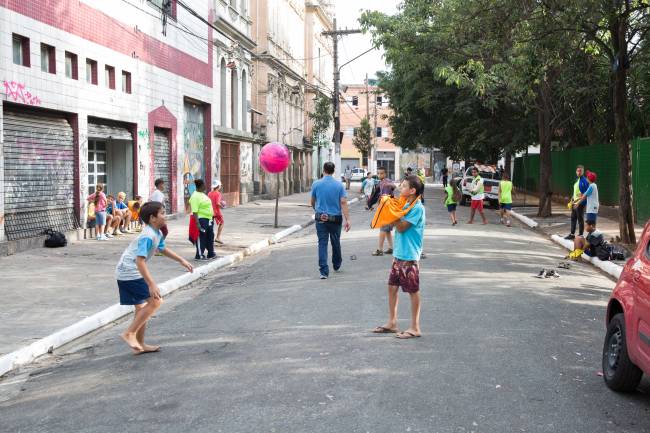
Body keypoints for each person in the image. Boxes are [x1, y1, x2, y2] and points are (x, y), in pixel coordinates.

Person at [115, 201, 193, 354]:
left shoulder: (156, 233)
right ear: (152, 218)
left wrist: (182, 260)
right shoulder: (147, 236)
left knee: (142, 309)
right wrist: (151, 284)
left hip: (128, 271)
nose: (165, 216)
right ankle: (129, 333)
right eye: (162, 213)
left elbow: (162, 248)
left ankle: (140, 345)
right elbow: (140, 260)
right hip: (129, 272)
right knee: (156, 301)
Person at [372, 175, 425, 339]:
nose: (400, 188)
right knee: (392, 287)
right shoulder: (405, 204)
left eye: (403, 186)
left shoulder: (417, 208)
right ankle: (392, 322)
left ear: (412, 190)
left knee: (412, 290)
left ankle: (415, 327)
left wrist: (390, 212)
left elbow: (401, 227)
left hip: (409, 255)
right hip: (399, 254)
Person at [311, 162, 351, 279]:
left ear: (323, 170)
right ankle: (336, 264)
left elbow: (312, 201)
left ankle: (323, 271)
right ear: (333, 171)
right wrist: (347, 219)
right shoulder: (339, 186)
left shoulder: (316, 184)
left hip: (321, 218)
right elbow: (343, 203)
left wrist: (317, 210)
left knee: (322, 243)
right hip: (335, 219)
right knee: (335, 241)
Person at [189, 179, 216, 260]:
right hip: (201, 219)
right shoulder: (195, 196)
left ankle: (211, 253)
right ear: (200, 186)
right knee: (202, 237)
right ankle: (199, 255)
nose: (205, 186)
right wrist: (197, 223)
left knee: (210, 236)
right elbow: (194, 211)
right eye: (204, 185)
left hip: (209, 219)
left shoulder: (202, 194)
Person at [372, 166, 396, 256]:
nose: (379, 175)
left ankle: (380, 250)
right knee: (387, 230)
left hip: (388, 209)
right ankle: (390, 248)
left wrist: (390, 185)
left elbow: (394, 186)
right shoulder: (380, 182)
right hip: (384, 208)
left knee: (383, 229)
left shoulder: (387, 181)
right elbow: (379, 195)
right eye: (378, 173)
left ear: (385, 174)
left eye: (381, 173)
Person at [565, 165, 590, 240]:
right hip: (574, 203)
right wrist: (571, 200)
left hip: (580, 203)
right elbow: (575, 192)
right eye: (578, 171)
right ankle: (572, 234)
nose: (579, 172)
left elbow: (587, 192)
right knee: (573, 218)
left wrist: (581, 198)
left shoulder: (585, 181)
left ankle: (580, 235)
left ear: (583, 172)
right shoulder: (576, 180)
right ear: (576, 172)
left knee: (580, 219)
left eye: (580, 171)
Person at [208, 180, 226, 245]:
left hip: (209, 211)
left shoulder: (209, 193)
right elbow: (217, 203)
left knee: (210, 225)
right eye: (220, 185)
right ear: (218, 186)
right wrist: (222, 206)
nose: (220, 186)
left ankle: (209, 238)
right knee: (222, 222)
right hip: (216, 211)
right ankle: (218, 237)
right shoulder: (218, 194)